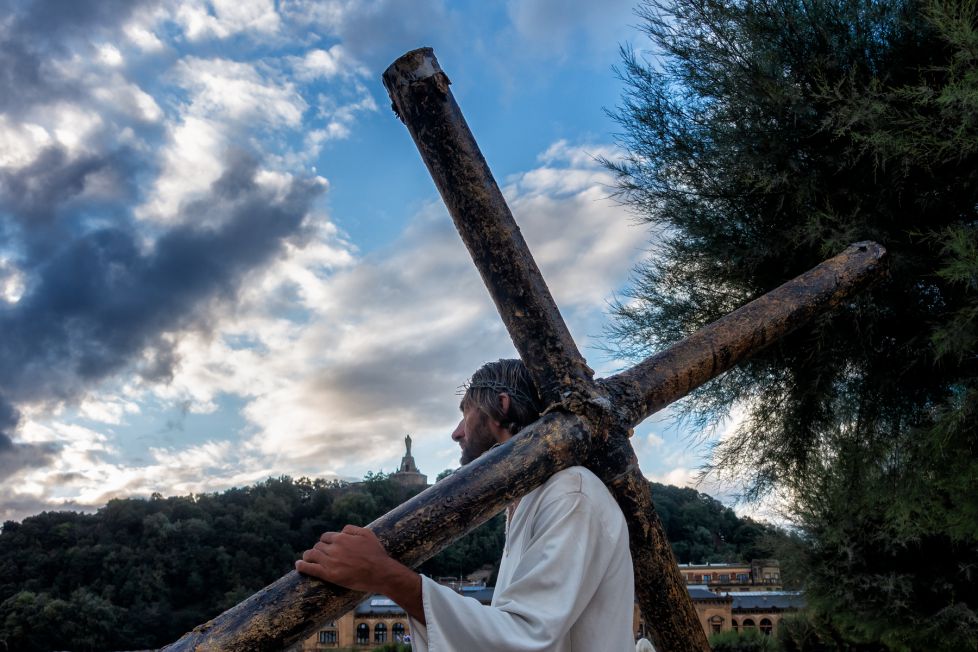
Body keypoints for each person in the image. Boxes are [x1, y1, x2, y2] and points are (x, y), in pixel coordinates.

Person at [296, 359, 635, 651]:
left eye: (465, 413)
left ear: (500, 406)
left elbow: (527, 638)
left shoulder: (571, 493)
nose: (456, 433)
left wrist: (386, 576)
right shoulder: (528, 500)